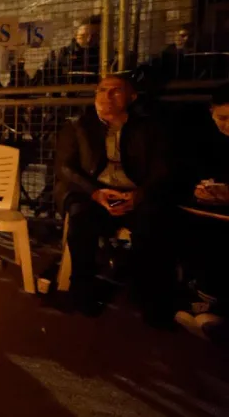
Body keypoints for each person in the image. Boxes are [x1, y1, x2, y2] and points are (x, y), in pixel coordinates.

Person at [54, 75, 178, 326]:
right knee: (80, 223)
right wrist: (95, 192)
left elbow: (162, 169)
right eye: (101, 90)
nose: (106, 97)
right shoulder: (78, 126)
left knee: (154, 223)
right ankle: (81, 291)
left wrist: (138, 195)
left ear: (132, 98)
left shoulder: (148, 128)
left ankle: (149, 298)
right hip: (94, 194)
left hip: (133, 195)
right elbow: (65, 167)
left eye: (115, 91)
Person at [175, 83, 229, 341]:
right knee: (197, 227)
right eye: (223, 118)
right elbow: (192, 173)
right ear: (211, 112)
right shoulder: (205, 139)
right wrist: (201, 188)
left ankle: (211, 308)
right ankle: (206, 305)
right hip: (214, 211)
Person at [41, 15, 103, 85]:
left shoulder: (105, 57)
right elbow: (46, 83)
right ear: (76, 35)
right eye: (84, 35)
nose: (89, 40)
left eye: (94, 36)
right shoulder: (58, 56)